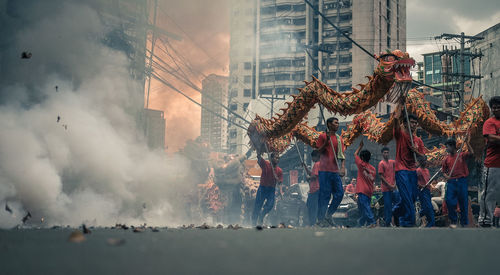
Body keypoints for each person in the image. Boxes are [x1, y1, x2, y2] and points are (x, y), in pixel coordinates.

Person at [392, 104, 427, 227]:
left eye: (415, 123)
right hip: (401, 170)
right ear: (405, 124)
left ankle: (396, 212)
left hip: (413, 171)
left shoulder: (418, 140)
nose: (414, 125)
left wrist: (416, 151)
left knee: (412, 198)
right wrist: (399, 107)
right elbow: (395, 121)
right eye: (411, 122)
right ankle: (407, 223)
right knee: (406, 197)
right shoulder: (400, 135)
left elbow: (424, 159)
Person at [316, 117, 346, 226]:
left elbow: (342, 155)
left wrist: (342, 167)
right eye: (335, 123)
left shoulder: (339, 139)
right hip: (324, 170)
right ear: (329, 124)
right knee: (325, 195)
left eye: (338, 123)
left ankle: (328, 215)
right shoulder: (322, 136)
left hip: (335, 171)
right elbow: (318, 152)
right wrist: (326, 142)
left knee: (339, 194)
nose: (337, 124)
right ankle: (320, 219)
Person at [442, 138, 473, 228]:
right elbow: (444, 171)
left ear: (452, 146)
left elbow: (471, 153)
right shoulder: (446, 159)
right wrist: (446, 176)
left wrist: (467, 142)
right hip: (451, 182)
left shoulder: (461, 155)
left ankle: (464, 223)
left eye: (447, 147)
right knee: (449, 201)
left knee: (463, 202)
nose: (446, 149)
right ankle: (453, 221)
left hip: (461, 181)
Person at [479, 96, 500, 227]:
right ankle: (486, 219)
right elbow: (491, 138)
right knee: (490, 192)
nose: (496, 109)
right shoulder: (489, 122)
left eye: (499, 107)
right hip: (492, 165)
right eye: (494, 107)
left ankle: (496, 221)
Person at [252, 152, 283, 226]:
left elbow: (280, 182)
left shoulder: (279, 171)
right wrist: (259, 149)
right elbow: (259, 157)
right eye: (275, 157)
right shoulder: (265, 164)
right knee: (258, 205)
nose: (277, 159)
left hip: (271, 189)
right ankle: (253, 222)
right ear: (271, 158)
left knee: (270, 205)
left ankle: (261, 216)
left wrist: (281, 191)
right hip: (262, 188)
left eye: (278, 158)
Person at [354, 140, 377, 227]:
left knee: (366, 207)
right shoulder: (373, 169)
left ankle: (372, 222)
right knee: (362, 208)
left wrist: (360, 146)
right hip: (369, 191)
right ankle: (360, 223)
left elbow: (355, 154)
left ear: (362, 158)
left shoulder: (361, 164)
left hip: (362, 190)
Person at [378, 147, 399, 227]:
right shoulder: (381, 163)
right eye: (385, 153)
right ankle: (387, 223)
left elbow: (397, 170)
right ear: (382, 154)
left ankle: (397, 222)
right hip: (386, 189)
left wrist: (395, 184)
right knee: (388, 206)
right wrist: (390, 185)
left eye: (387, 152)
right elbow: (381, 177)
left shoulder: (392, 162)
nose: (386, 154)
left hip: (394, 188)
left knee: (398, 203)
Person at [302, 150, 321, 226]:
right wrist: (305, 167)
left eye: (312, 157)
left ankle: (312, 223)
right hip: (316, 190)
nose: (312, 159)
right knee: (312, 206)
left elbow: (314, 176)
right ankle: (314, 222)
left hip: (315, 190)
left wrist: (309, 178)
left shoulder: (317, 164)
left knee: (312, 207)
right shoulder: (320, 164)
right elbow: (312, 173)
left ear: (316, 156)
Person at [416, 157, 435, 227]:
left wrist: (431, 186)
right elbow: (415, 181)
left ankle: (428, 223)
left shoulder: (427, 170)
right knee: (428, 207)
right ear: (421, 162)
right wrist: (421, 185)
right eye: (424, 161)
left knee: (427, 207)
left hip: (427, 190)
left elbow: (429, 180)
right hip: (422, 191)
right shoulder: (418, 170)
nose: (425, 162)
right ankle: (431, 223)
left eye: (425, 161)